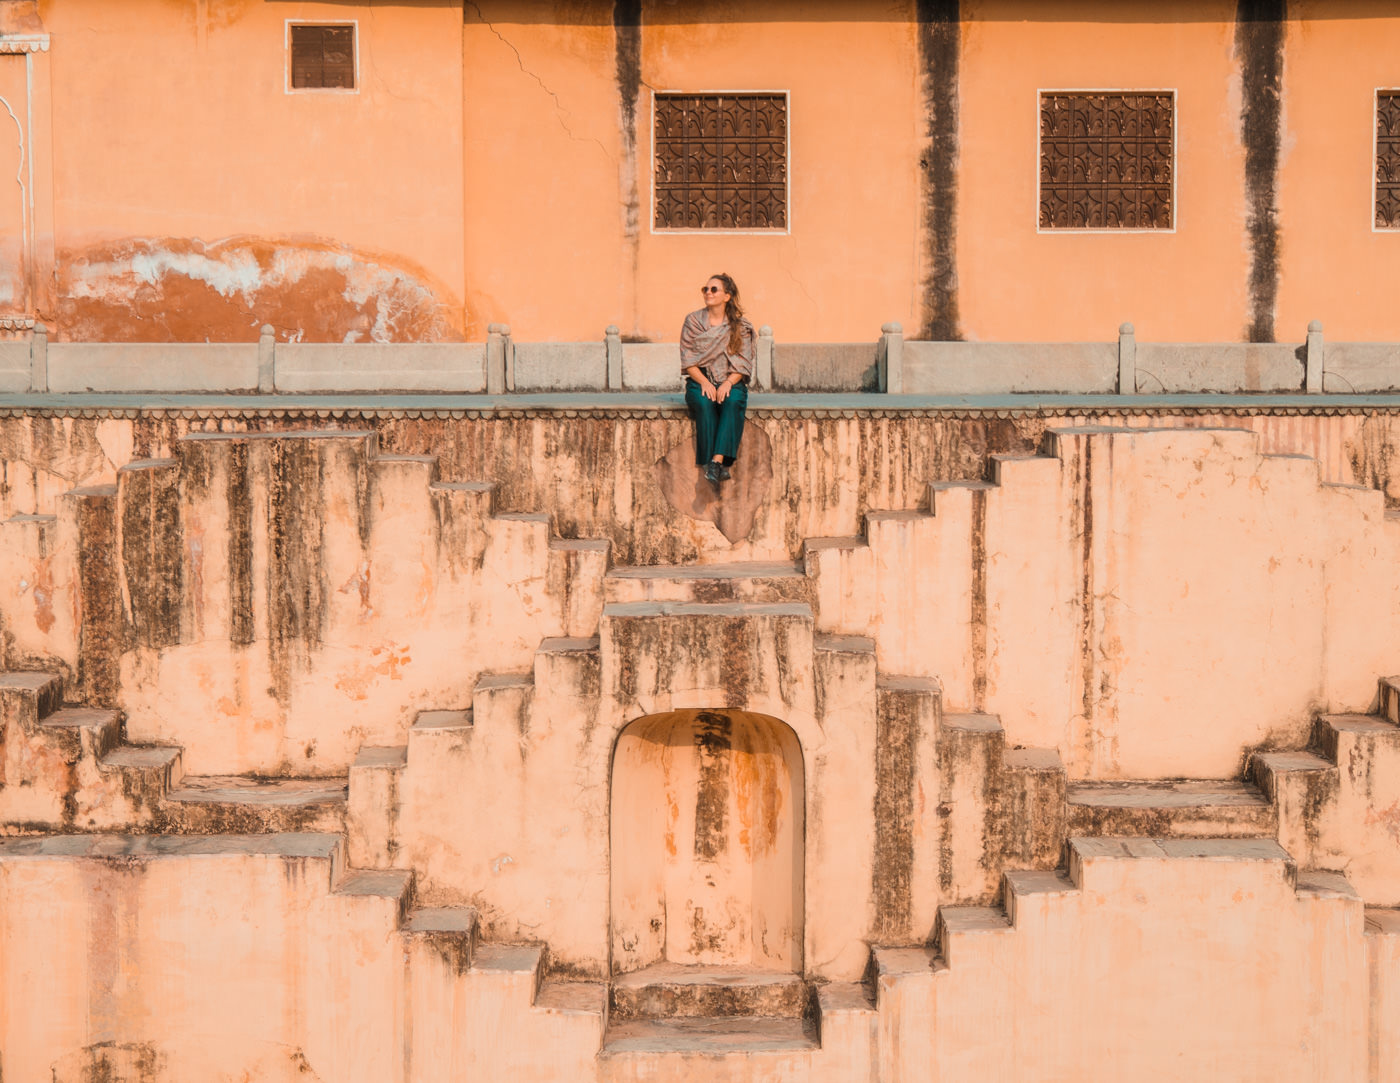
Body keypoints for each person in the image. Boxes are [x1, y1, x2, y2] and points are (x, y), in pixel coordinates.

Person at [680, 273, 755, 486]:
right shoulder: (693, 321)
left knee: (731, 401)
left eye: (714, 289)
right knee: (705, 402)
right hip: (699, 378)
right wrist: (704, 382)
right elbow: (687, 358)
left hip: (731, 378)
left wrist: (728, 383)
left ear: (727, 296)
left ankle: (715, 461)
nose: (708, 293)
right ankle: (715, 466)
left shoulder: (739, 326)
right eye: (706, 289)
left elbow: (743, 361)